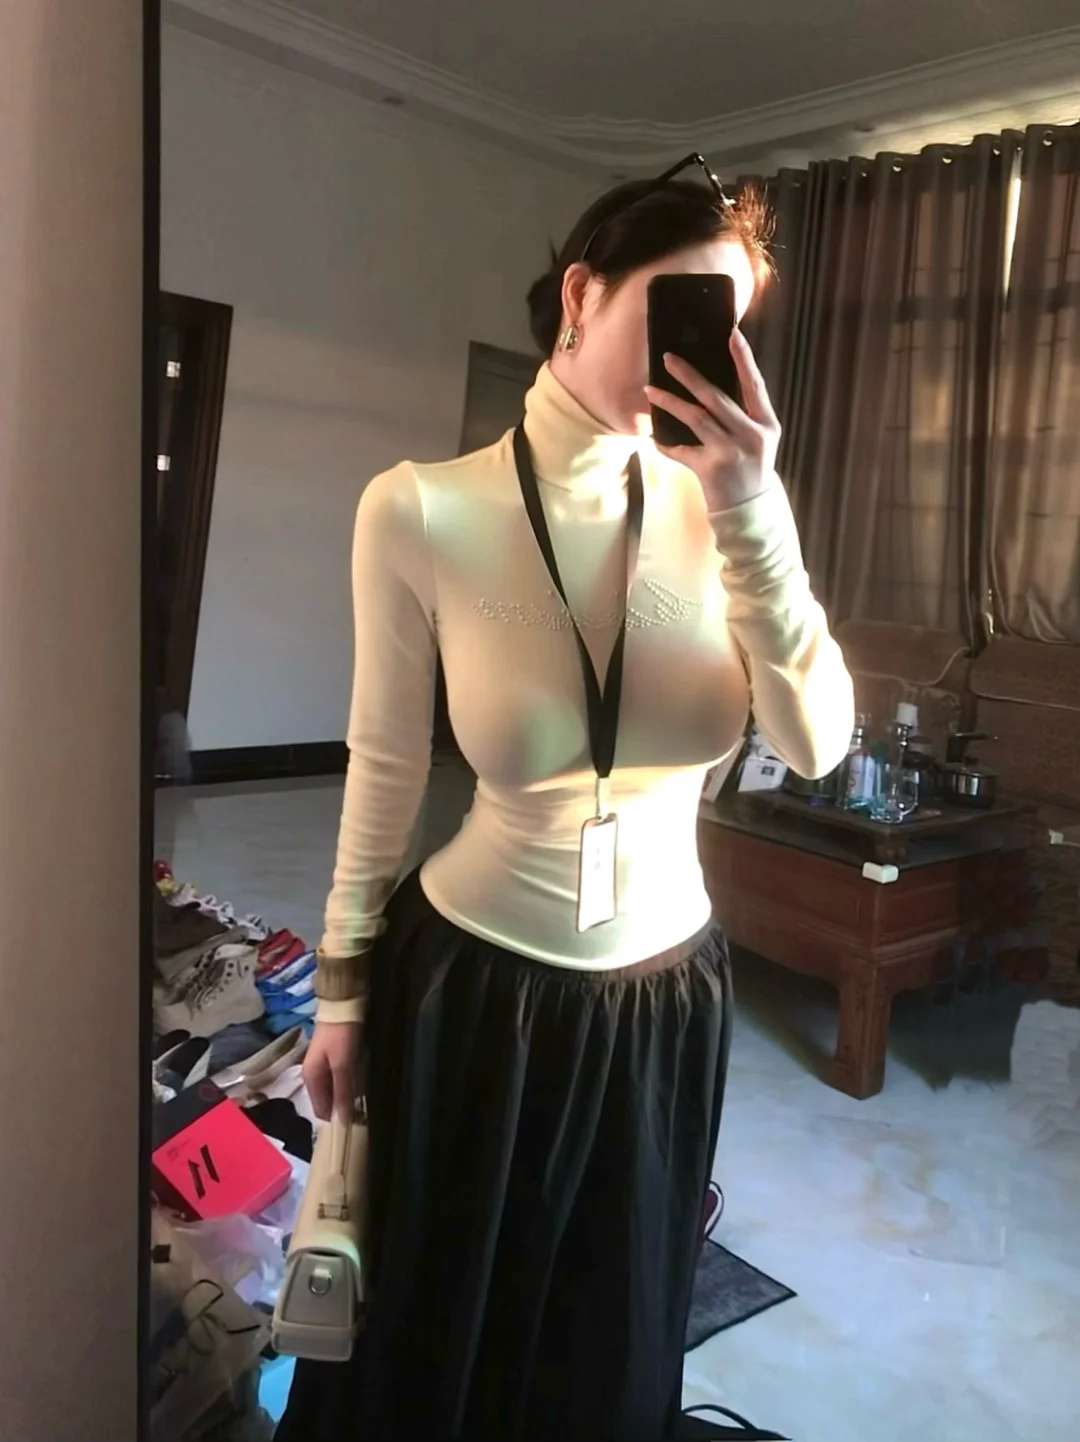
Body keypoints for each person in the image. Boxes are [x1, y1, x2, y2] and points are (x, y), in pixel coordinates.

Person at [276, 157, 854, 1442]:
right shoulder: (419, 508)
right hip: (474, 990)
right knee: (438, 1333)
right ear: (582, 294)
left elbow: (816, 744)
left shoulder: (728, 512)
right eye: (683, 310)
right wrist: (341, 992)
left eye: (731, 330)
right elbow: (384, 767)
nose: (703, 357)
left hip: (667, 1000)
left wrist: (754, 508)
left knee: (607, 1338)